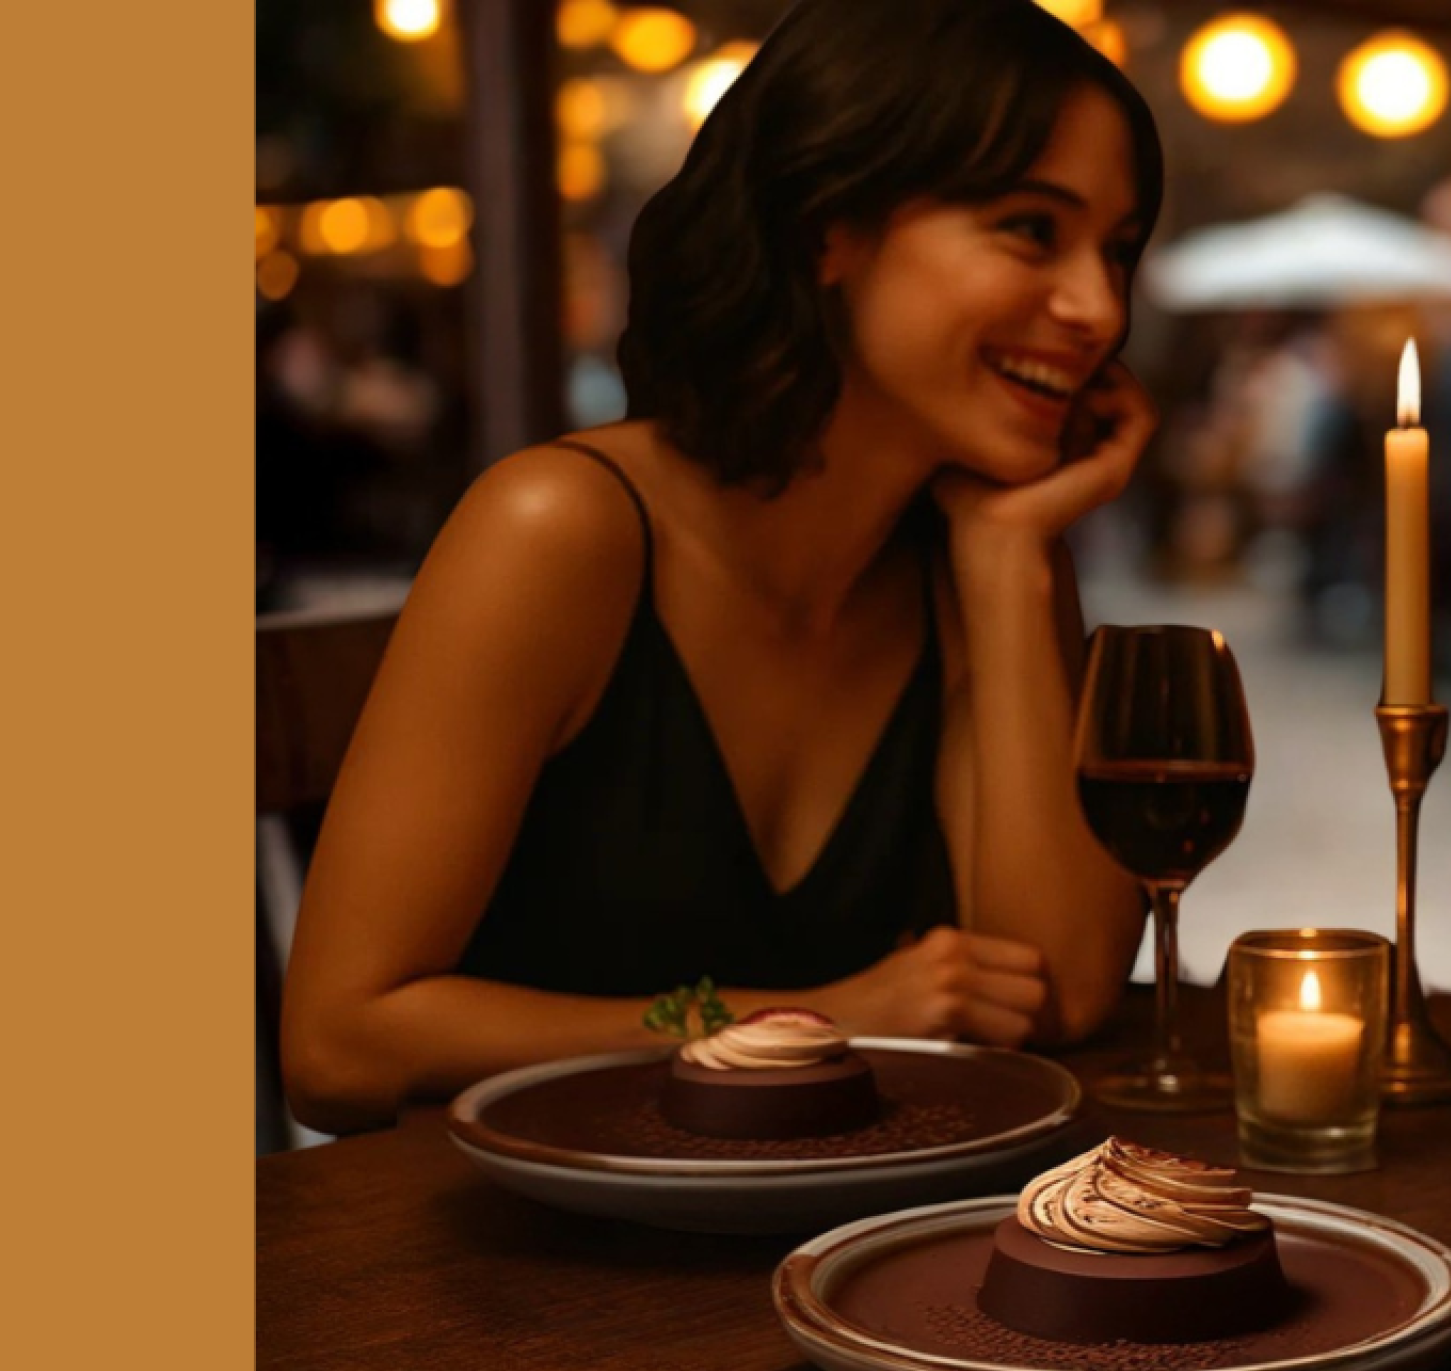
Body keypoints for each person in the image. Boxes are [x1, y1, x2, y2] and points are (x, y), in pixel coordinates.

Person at [282, 0, 1158, 1135]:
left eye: (1119, 251)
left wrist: (1005, 560)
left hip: (838, 1259)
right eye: (1032, 230)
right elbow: (340, 1043)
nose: (1099, 309)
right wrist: (806, 1015)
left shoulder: (979, 552)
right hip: (512, 1282)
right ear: (825, 229)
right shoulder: (560, 530)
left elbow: (1062, 994)